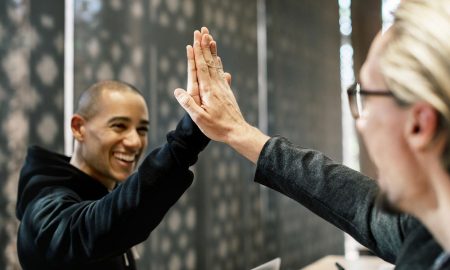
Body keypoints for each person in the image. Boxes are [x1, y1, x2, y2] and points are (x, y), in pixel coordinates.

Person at [174, 1, 450, 268]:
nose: (360, 123)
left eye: (365, 96)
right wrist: (239, 132)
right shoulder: (431, 230)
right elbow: (357, 204)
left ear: (419, 125)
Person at [15, 79, 210, 269]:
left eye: (142, 129)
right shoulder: (43, 208)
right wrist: (185, 142)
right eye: (119, 126)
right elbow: (95, 228)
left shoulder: (104, 192)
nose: (135, 141)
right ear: (78, 128)